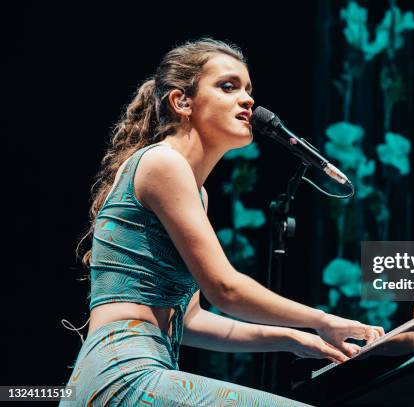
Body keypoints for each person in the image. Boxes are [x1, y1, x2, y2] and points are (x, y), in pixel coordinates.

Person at [60, 38, 384, 406]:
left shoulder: (195, 191)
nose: (247, 100)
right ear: (182, 102)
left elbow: (194, 319)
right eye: (228, 87)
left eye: (248, 89)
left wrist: (294, 338)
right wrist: (321, 319)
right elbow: (225, 289)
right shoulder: (162, 164)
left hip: (119, 372)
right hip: (122, 372)